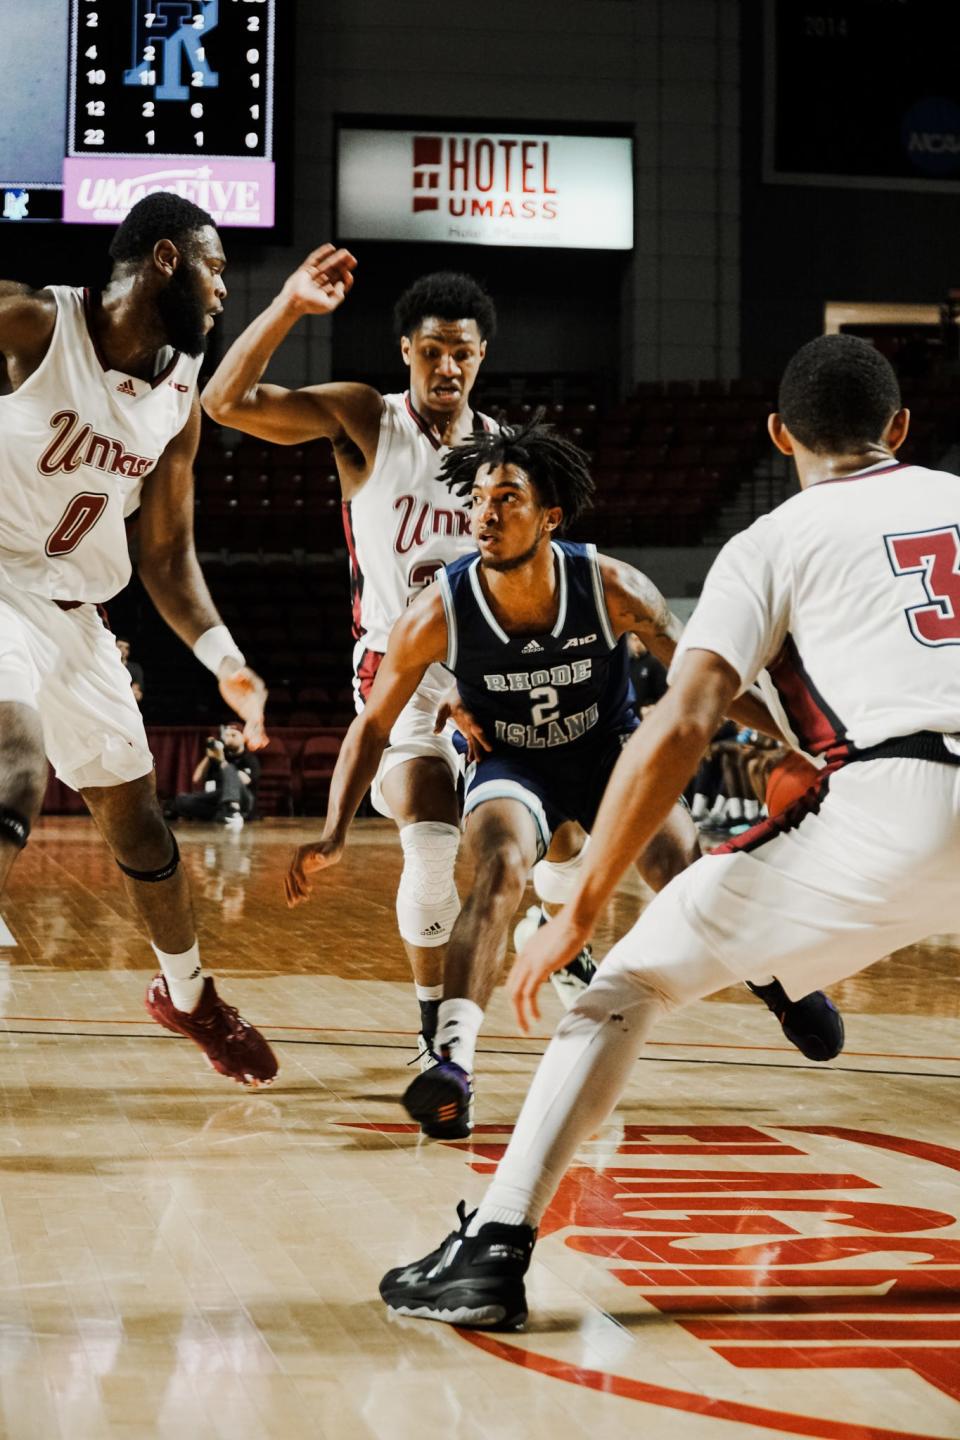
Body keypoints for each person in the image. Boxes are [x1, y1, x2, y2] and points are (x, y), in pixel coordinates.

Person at [377, 332, 960, 1330]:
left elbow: (684, 720)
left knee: (623, 983)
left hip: (906, 800)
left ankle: (493, 1246)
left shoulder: (773, 539)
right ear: (901, 430)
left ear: (779, 435)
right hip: (904, 790)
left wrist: (582, 908)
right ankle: (786, 984)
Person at [284, 417, 842, 1141]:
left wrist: (808, 740)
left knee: (682, 865)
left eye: (507, 498)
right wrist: (333, 829)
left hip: (607, 752)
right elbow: (372, 724)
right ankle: (450, 1064)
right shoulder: (437, 611)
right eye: (479, 499)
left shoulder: (612, 586)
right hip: (514, 761)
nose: (485, 513)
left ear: (550, 515)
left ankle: (777, 986)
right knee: (498, 867)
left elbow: (711, 681)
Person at [201, 246, 591, 1055]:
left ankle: (557, 928)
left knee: (569, 834)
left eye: (463, 352)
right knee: (430, 839)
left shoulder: (507, 452)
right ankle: (433, 1031)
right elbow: (224, 403)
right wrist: (288, 308)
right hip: (401, 677)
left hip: (495, 672)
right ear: (406, 351)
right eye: (432, 350)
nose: (447, 365)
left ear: (482, 357)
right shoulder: (365, 419)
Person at [0, 192, 276, 1087]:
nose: (226, 289)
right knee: (16, 763)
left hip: (77, 614)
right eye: (218, 267)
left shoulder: (179, 399)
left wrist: (226, 661)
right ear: (166, 258)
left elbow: (164, 554)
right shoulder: (33, 323)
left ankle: (189, 995)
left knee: (139, 819)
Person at [167, 722, 260, 827]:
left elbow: (242, 781)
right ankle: (225, 816)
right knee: (182, 800)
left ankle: (233, 811)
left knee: (230, 769)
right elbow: (196, 778)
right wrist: (209, 755)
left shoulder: (249, 759)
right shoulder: (218, 756)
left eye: (234, 735)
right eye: (227, 735)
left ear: (243, 738)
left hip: (243, 800)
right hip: (219, 799)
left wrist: (222, 761)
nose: (229, 738)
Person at [116, 635, 145, 704]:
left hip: (126, 705)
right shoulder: (108, 665)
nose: (123, 650)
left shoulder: (135, 668)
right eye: (120, 646)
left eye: (126, 648)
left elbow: (137, 694)